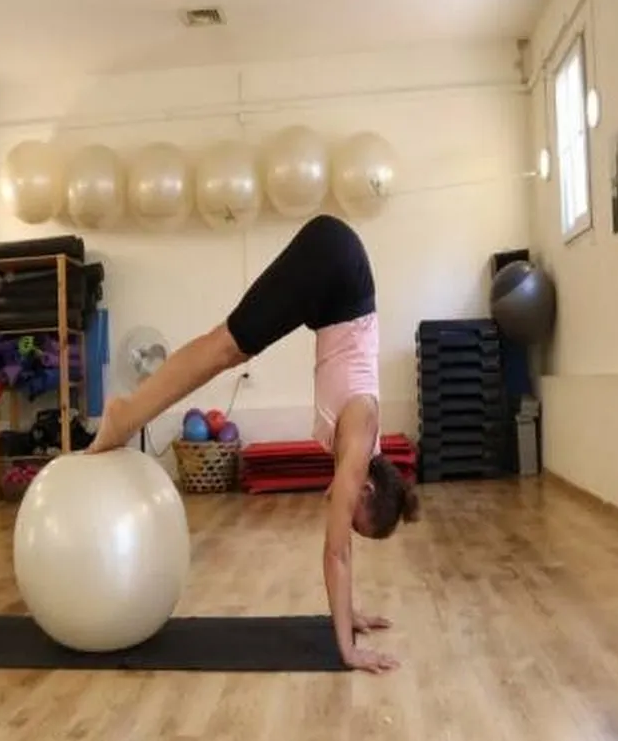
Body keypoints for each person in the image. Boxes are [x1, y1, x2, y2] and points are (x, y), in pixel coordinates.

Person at [88, 213, 420, 674]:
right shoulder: (360, 438)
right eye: (352, 516)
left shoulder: (360, 454)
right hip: (334, 264)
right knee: (227, 347)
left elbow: (343, 546)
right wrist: (347, 650)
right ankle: (126, 413)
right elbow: (337, 552)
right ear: (365, 489)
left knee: (231, 346)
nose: (341, 518)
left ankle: (130, 410)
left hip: (337, 284)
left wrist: (350, 613)